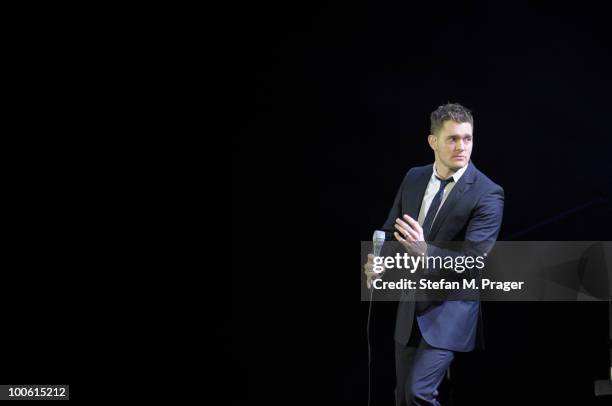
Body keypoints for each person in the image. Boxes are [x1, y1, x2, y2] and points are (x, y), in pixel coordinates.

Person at [364, 103, 504, 406]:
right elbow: (391, 231)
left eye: (467, 138)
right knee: (402, 397)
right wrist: (379, 262)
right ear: (433, 142)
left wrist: (425, 251)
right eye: (453, 138)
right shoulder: (414, 178)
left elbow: (472, 261)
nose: (461, 147)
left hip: (449, 310)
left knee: (418, 393)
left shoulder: (488, 193)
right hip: (410, 307)